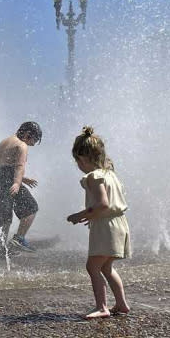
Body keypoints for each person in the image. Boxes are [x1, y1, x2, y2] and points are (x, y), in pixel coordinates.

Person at [67, 126, 131, 320]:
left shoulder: (94, 177)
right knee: (106, 267)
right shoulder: (110, 173)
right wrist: (92, 216)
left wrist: (81, 214)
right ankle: (121, 304)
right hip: (118, 223)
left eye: (77, 160)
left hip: (106, 226)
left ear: (82, 158)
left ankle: (102, 307)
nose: (77, 164)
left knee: (92, 267)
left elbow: (103, 203)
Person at [0, 121, 42, 252]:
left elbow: (3, 165)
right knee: (31, 207)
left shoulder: (5, 141)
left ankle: (1, 247)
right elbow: (19, 166)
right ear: (28, 134)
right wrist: (17, 182)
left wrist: (23, 179)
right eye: (35, 139)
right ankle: (19, 239)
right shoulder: (22, 145)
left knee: (3, 217)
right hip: (7, 180)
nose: (33, 143)